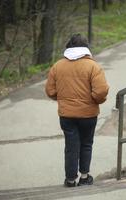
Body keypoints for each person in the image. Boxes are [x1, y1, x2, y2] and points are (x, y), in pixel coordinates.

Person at [45, 34, 109, 187]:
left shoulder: (58, 66)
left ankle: (70, 179)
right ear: (86, 48)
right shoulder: (93, 66)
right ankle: (85, 177)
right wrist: (95, 100)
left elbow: (50, 90)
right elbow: (100, 91)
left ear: (69, 48)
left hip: (67, 115)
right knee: (86, 144)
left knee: (71, 146)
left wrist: (62, 100)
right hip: (88, 115)